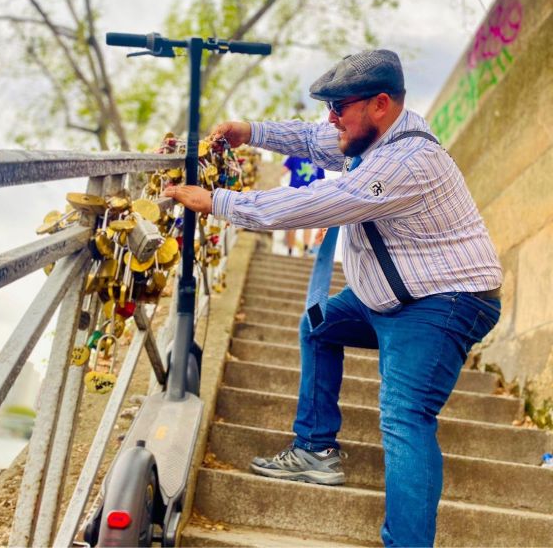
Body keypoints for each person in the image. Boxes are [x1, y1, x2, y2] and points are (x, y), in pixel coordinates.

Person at [163, 49, 502, 547]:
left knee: (405, 414)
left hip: (446, 299)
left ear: (380, 104)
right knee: (319, 324)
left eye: (339, 106)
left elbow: (319, 201)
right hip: (390, 295)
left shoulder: (408, 159)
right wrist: (248, 130)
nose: (331, 118)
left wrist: (218, 202)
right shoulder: (367, 132)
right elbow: (307, 137)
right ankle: (316, 450)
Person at [282, 154, 325, 255]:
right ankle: (301, 249)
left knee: (293, 224)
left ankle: (291, 250)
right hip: (307, 196)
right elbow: (320, 181)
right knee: (307, 224)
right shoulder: (317, 158)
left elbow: (282, 171)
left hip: (296, 195)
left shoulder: (295, 156)